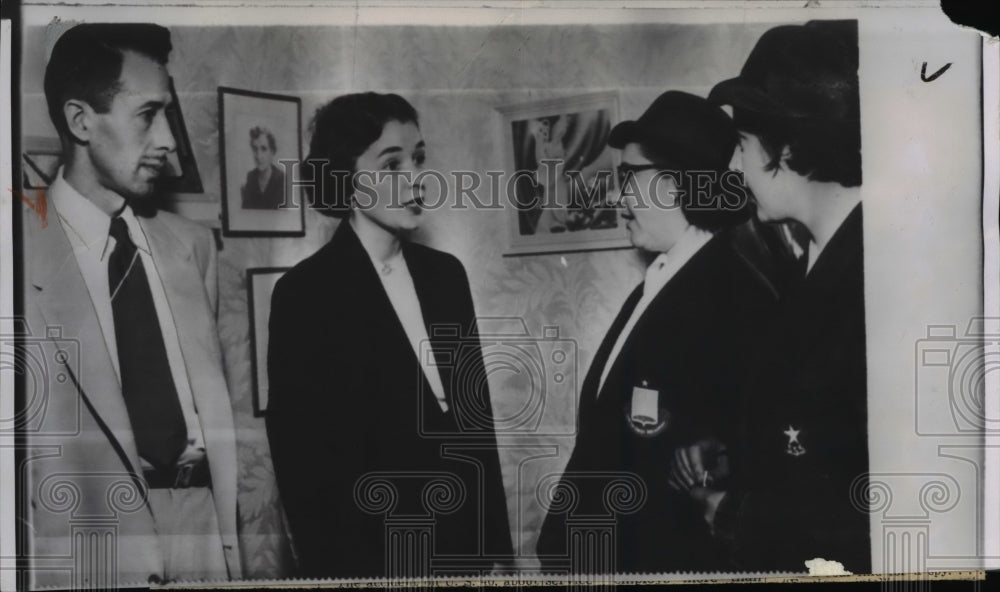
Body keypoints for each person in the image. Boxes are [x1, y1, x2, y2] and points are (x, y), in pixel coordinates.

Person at [24, 23, 241, 588]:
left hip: (203, 536)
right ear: (80, 122)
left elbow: (229, 422)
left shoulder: (191, 247)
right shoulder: (16, 252)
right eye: (148, 114)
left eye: (168, 115)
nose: (170, 142)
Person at [265, 92, 514, 578]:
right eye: (391, 164)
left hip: (465, 551)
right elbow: (302, 467)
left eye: (418, 159)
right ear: (346, 178)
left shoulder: (447, 276)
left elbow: (474, 424)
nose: (416, 179)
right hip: (372, 558)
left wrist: (496, 551)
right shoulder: (304, 294)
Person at [536, 91, 782, 573]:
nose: (617, 195)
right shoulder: (669, 276)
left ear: (677, 183)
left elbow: (724, 467)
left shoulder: (731, 294)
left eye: (629, 177)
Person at [671, 20, 870, 573]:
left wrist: (736, 515)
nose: (734, 167)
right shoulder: (823, 261)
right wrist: (741, 453)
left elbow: (882, 508)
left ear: (789, 145)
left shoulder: (869, 277)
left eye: (741, 144)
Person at [240, 126, 287, 209]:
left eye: (264, 149)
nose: (258, 156)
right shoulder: (251, 177)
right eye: (255, 149)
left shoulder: (282, 179)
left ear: (272, 152)